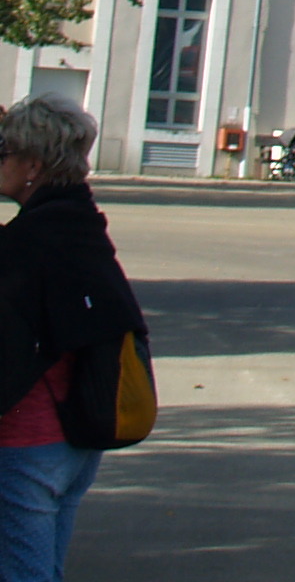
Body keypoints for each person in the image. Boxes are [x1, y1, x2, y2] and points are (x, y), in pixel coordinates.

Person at [0, 95, 141, 580]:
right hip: (78, 436)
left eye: (4, 153)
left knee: (24, 574)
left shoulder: (28, 243)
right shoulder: (83, 228)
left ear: (33, 165)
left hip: (27, 440)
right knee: (43, 570)